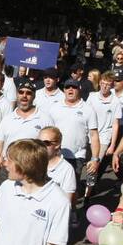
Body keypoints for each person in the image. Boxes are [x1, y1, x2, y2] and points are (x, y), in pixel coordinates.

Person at [47, 79, 100, 209]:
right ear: (64, 90)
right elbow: (47, 132)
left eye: (74, 88)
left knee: (72, 187)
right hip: (55, 155)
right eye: (67, 87)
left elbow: (93, 135)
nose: (70, 90)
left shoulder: (88, 109)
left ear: (79, 89)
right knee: (51, 184)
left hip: (77, 156)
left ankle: (71, 211)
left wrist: (95, 158)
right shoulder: (54, 108)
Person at [0, 80, 54, 170]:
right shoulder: (7, 119)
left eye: (28, 93)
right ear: (17, 95)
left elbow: (51, 148)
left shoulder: (45, 119)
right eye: (21, 92)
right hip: (8, 169)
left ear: (34, 96)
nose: (24, 96)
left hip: (33, 170)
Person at [86, 72, 121, 192]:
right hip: (89, 134)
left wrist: (112, 145)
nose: (104, 87)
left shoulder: (116, 101)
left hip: (104, 138)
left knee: (93, 166)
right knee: (84, 164)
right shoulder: (92, 97)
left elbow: (115, 124)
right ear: (99, 83)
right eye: (103, 84)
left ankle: (88, 194)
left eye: (108, 85)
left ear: (111, 86)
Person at [40, 126, 76, 204]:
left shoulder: (67, 169)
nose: (40, 146)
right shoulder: (32, 163)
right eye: (38, 142)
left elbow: (66, 203)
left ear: (57, 145)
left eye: (46, 143)